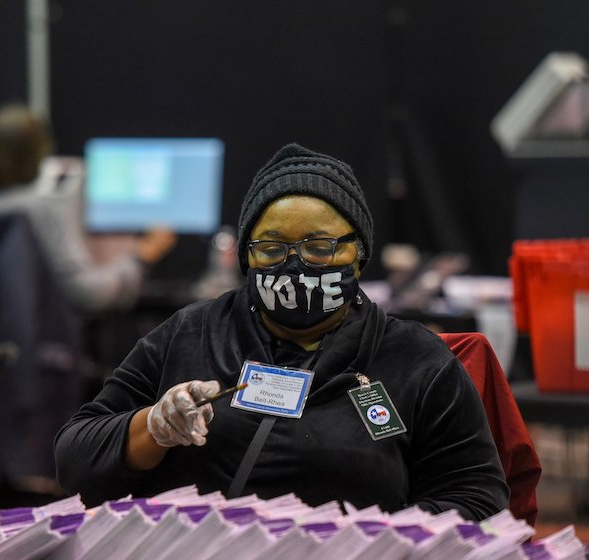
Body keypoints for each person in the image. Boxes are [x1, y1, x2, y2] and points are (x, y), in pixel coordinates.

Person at [55, 143, 509, 519]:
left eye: (318, 247)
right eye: (272, 249)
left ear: (358, 252)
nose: (296, 265)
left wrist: (374, 542)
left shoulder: (414, 359)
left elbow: (479, 501)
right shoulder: (191, 333)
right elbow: (75, 460)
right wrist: (153, 426)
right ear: (247, 257)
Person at [0, 103, 176, 313]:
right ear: (39, 154)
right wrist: (141, 257)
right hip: (30, 340)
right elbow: (88, 294)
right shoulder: (39, 208)